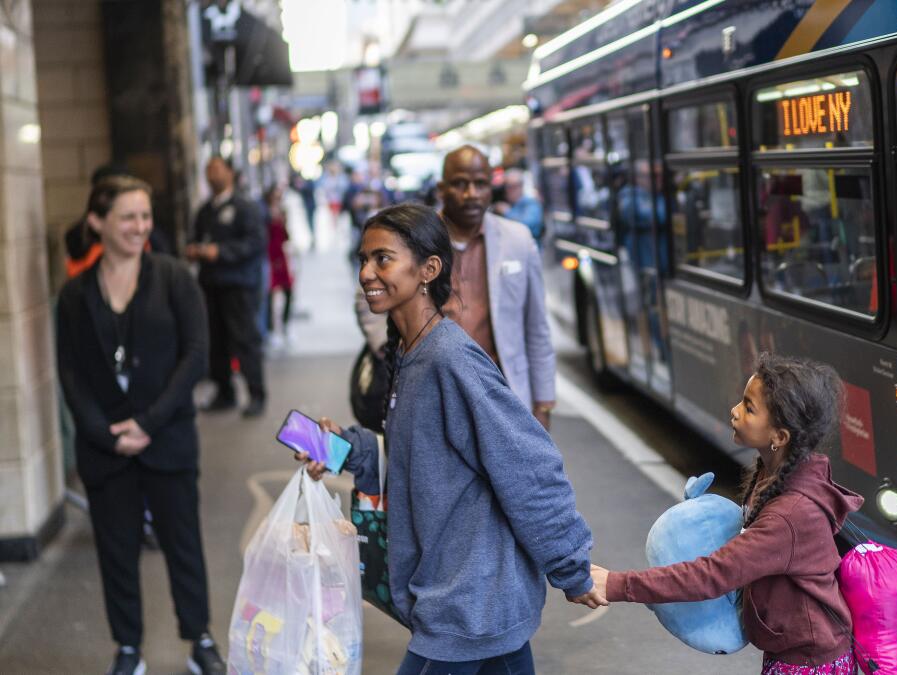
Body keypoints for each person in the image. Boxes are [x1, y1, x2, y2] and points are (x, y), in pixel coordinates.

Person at [297, 203, 602, 674]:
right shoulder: (408, 353)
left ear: (428, 269)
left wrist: (570, 565)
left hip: (467, 600)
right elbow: (414, 457)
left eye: (383, 259)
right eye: (362, 259)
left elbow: (529, 466)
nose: (366, 273)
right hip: (464, 598)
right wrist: (344, 449)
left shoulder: (451, 361)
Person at [587, 354, 864, 675]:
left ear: (779, 437)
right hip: (792, 650)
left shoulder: (790, 515)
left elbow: (713, 574)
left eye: (748, 407)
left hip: (809, 662)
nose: (734, 411)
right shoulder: (773, 474)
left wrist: (616, 584)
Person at [56, 176, 226, 675]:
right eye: (128, 216)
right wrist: (106, 432)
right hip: (104, 448)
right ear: (97, 222)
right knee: (116, 550)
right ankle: (128, 647)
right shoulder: (74, 295)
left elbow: (196, 357)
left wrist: (147, 424)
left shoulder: (175, 278)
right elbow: (70, 374)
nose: (140, 226)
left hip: (167, 437)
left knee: (184, 545)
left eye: (145, 216)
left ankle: (199, 639)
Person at [438, 146, 556, 429]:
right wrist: (385, 347)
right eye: (460, 184)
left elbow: (536, 327)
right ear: (442, 189)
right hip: (438, 400)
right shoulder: (416, 239)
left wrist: (543, 403)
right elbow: (370, 298)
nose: (471, 194)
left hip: (504, 398)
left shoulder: (517, 240)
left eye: (480, 184)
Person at [186, 156, 268, 417]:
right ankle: (225, 392)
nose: (212, 175)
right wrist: (195, 250)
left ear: (231, 173)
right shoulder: (205, 211)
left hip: (239, 286)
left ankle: (256, 393)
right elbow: (195, 238)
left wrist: (220, 252)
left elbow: (255, 244)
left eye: (217, 169)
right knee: (216, 341)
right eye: (208, 170)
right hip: (210, 286)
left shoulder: (245, 207)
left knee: (244, 339)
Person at [264, 184, 294, 346]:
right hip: (269, 255)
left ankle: (284, 324)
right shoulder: (265, 214)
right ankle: (270, 329)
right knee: (270, 293)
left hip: (281, 255)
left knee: (288, 290)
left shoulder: (282, 212)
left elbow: (286, 236)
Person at [494, 168, 544, 244]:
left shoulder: (530, 203)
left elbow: (527, 225)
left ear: (521, 186)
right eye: (507, 187)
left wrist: (507, 212)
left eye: (513, 186)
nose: (510, 191)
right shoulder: (505, 203)